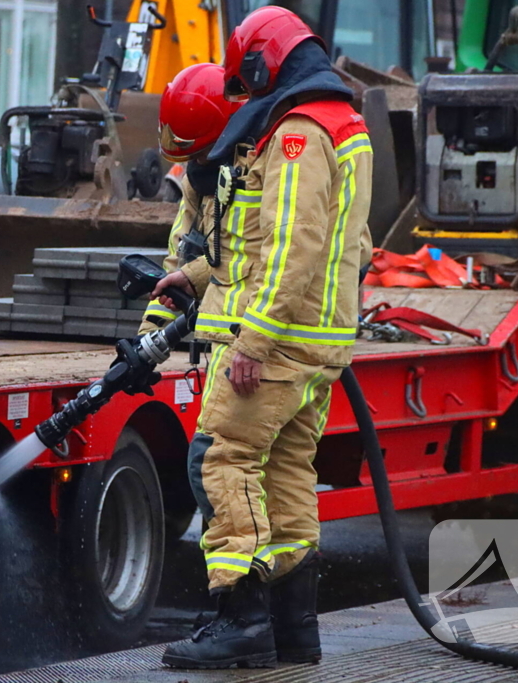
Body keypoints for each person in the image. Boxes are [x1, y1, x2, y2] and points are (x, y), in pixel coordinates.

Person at [154, 6, 373, 668]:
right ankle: (292, 631)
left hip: (279, 340)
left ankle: (241, 622)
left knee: (218, 459)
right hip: (318, 338)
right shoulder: (346, 123)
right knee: (283, 474)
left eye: (246, 79)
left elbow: (291, 246)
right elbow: (341, 244)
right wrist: (193, 277)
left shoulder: (298, 131)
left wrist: (252, 341)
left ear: (261, 64)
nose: (244, 95)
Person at [139, 62, 240, 335]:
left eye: (201, 152)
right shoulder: (198, 180)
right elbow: (179, 258)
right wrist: (147, 336)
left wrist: (192, 277)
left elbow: (247, 255)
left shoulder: (256, 180)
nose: (195, 163)